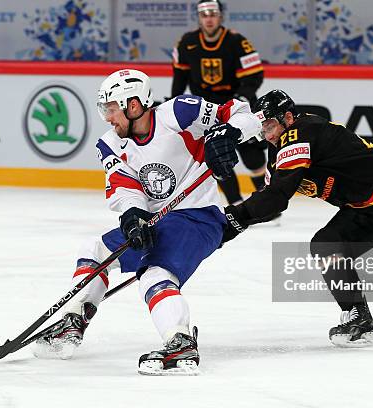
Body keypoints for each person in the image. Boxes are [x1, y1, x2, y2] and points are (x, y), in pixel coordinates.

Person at [204, 89, 373, 351]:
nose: (267, 134)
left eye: (271, 124)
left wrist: (231, 220)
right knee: (327, 245)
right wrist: (234, 222)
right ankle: (360, 319)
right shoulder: (277, 153)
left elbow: (276, 197)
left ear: (288, 118)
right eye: (262, 128)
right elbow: (269, 199)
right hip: (362, 205)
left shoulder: (299, 132)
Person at [32, 69, 261, 375]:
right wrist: (133, 216)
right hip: (158, 221)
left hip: (198, 217)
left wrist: (230, 133)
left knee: (154, 273)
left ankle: (180, 342)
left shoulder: (179, 113)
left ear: (134, 105)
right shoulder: (110, 144)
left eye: (112, 109)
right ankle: (73, 322)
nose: (108, 118)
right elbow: (125, 187)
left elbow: (243, 113)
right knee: (95, 250)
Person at [171, 0, 268, 207]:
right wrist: (174, 102)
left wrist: (243, 96)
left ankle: (265, 201)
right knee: (216, 154)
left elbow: (254, 75)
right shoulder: (186, 42)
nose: (209, 18)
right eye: (204, 14)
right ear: (198, 17)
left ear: (220, 16)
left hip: (235, 104)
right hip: (204, 109)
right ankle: (235, 203)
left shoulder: (237, 42)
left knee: (252, 156)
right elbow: (179, 77)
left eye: (213, 13)